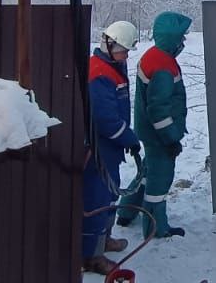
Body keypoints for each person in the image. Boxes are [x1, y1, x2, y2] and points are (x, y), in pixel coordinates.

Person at [116, 11, 192, 238]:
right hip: (159, 135)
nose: (183, 42)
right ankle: (156, 226)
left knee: (147, 171)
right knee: (160, 180)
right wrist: (170, 139)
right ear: (171, 38)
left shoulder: (155, 56)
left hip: (149, 132)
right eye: (181, 37)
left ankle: (126, 211)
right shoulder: (162, 67)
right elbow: (159, 110)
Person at [83, 20, 141, 275]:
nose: (126, 55)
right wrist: (127, 137)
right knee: (97, 202)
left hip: (110, 150)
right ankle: (91, 255)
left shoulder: (113, 67)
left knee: (110, 196)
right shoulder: (98, 73)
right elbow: (104, 119)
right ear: (110, 44)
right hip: (97, 150)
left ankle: (104, 240)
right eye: (124, 50)